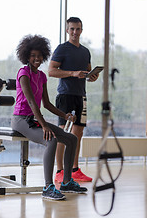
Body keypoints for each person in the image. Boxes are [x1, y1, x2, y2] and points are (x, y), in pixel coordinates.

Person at [11, 34, 88, 201]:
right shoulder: (23, 73)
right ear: (27, 56)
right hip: (20, 120)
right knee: (51, 139)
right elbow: (31, 102)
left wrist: (65, 115)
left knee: (72, 139)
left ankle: (67, 181)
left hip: (34, 118)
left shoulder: (42, 76)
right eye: (33, 56)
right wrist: (44, 125)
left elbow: (46, 104)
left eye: (39, 55)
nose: (37, 58)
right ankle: (47, 187)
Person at [48, 17, 99, 183]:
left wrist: (92, 77)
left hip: (80, 96)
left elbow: (88, 72)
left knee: (78, 133)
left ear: (82, 30)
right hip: (65, 96)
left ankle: (74, 170)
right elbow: (51, 71)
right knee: (63, 133)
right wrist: (72, 73)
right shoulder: (62, 49)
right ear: (67, 30)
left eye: (78, 29)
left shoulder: (85, 52)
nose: (75, 32)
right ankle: (60, 171)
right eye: (72, 29)